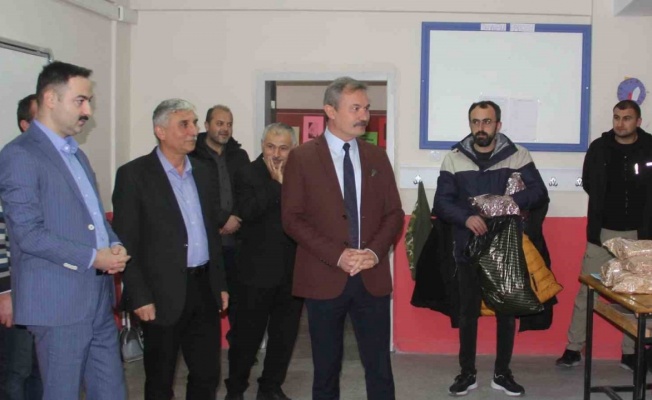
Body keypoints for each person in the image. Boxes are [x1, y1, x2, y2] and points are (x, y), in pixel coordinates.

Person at [0, 61, 130, 400]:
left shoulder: (76, 155)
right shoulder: (19, 155)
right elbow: (28, 234)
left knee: (111, 391)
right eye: (80, 101)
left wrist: (114, 244)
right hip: (58, 302)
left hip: (97, 297)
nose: (88, 111)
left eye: (89, 102)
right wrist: (94, 257)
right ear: (50, 99)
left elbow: (95, 218)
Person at [282, 77, 403, 400]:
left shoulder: (377, 157)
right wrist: (338, 255)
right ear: (330, 111)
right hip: (324, 276)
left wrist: (373, 253)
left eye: (366, 108)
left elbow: (394, 213)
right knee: (326, 369)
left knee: (379, 367)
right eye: (355, 108)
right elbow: (292, 219)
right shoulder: (302, 158)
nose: (364, 115)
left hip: (371, 277)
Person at [112, 98, 229, 400]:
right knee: (160, 379)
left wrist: (219, 284)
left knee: (207, 375)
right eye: (184, 124)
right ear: (160, 131)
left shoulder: (203, 171)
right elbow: (125, 242)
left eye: (194, 123)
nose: (193, 131)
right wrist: (139, 295)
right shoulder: (134, 175)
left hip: (203, 288)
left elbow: (212, 235)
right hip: (160, 294)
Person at [433, 100, 548, 397]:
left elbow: (539, 193)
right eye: (475, 122)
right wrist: (466, 217)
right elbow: (441, 203)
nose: (480, 128)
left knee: (506, 313)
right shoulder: (453, 158)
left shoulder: (518, 155)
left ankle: (502, 373)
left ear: (498, 125)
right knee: (467, 313)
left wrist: (506, 203)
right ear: (470, 124)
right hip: (467, 246)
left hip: (505, 249)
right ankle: (467, 373)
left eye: (486, 121)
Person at [556, 100, 652, 371]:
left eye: (627, 118)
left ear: (638, 122)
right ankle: (573, 348)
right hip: (603, 233)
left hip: (640, 234)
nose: (620, 123)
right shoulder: (599, 148)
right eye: (617, 117)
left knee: (635, 296)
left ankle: (630, 352)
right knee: (587, 292)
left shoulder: (649, 147)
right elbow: (589, 182)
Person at [225, 123, 304, 400]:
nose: (276, 154)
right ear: (262, 146)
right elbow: (246, 212)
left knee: (284, 336)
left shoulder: (300, 173)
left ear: (293, 148)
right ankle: (235, 388)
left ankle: (270, 387)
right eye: (270, 147)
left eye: (283, 148)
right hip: (254, 272)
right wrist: (276, 185)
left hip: (292, 271)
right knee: (246, 338)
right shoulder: (247, 172)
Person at [190, 104, 249, 343]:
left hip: (236, 241)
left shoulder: (239, 156)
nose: (225, 128)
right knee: (206, 298)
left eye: (229, 124)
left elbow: (247, 192)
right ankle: (205, 346)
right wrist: (222, 219)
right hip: (206, 240)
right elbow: (196, 196)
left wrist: (236, 218)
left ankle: (239, 348)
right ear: (206, 126)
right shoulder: (192, 155)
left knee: (238, 299)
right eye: (220, 123)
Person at [0, 94, 42, 400]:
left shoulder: (53, 165)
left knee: (40, 369)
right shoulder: (12, 162)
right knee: (16, 370)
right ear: (25, 125)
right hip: (15, 291)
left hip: (43, 289)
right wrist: (5, 293)